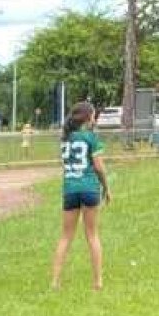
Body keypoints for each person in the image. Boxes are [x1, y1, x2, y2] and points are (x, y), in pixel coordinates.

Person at [51, 102, 108, 291]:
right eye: (93, 116)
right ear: (87, 118)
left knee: (66, 236)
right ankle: (98, 281)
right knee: (92, 235)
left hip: (70, 189)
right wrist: (106, 188)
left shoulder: (65, 139)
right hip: (89, 188)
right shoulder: (91, 138)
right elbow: (99, 167)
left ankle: (55, 281)